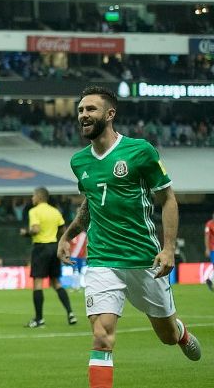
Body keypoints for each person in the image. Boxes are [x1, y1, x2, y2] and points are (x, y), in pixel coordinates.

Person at [57, 86, 201, 388]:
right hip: (102, 260)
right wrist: (68, 235)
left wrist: (169, 248)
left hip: (143, 259)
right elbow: (91, 204)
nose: (83, 115)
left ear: (110, 115)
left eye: (91, 109)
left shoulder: (140, 151)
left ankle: (181, 333)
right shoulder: (79, 162)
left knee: (166, 336)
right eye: (81, 110)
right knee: (102, 337)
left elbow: (168, 200)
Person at [19, 187, 76, 328]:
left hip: (41, 248)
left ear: (39, 197)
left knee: (38, 283)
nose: (32, 198)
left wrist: (25, 232)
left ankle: (39, 319)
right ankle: (70, 313)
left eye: (33, 196)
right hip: (54, 247)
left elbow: (36, 229)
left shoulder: (34, 211)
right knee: (56, 282)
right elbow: (63, 230)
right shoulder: (55, 211)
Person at [205, 211, 214, 291]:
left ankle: (210, 280)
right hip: (213, 249)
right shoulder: (209, 224)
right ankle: (209, 280)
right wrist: (207, 248)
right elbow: (207, 237)